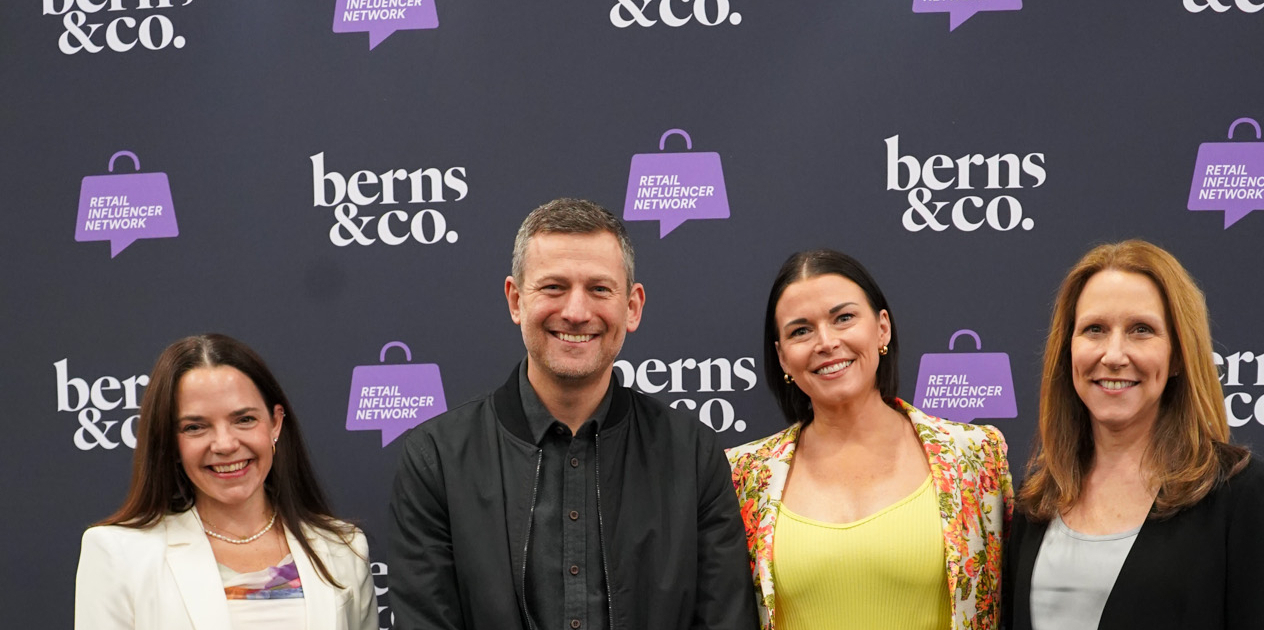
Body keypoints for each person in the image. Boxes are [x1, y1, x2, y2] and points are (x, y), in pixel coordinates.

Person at [387, 198, 757, 630]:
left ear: (632, 307)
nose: (577, 312)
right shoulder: (437, 458)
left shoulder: (693, 454)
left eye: (599, 289)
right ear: (515, 300)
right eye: (553, 287)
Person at [1004, 240, 1264, 630]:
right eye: (1094, 329)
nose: (1113, 354)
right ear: (1068, 350)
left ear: (1178, 354)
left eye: (1141, 330)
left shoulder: (1242, 495)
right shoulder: (1038, 499)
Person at [727, 249, 1014, 630]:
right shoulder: (742, 475)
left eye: (843, 318)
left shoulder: (975, 455)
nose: (826, 342)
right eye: (801, 331)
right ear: (782, 358)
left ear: (882, 327)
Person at [74, 334, 378, 630]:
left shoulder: (343, 546)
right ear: (170, 442)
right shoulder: (118, 552)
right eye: (195, 427)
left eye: (244, 419)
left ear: (275, 423)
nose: (224, 444)